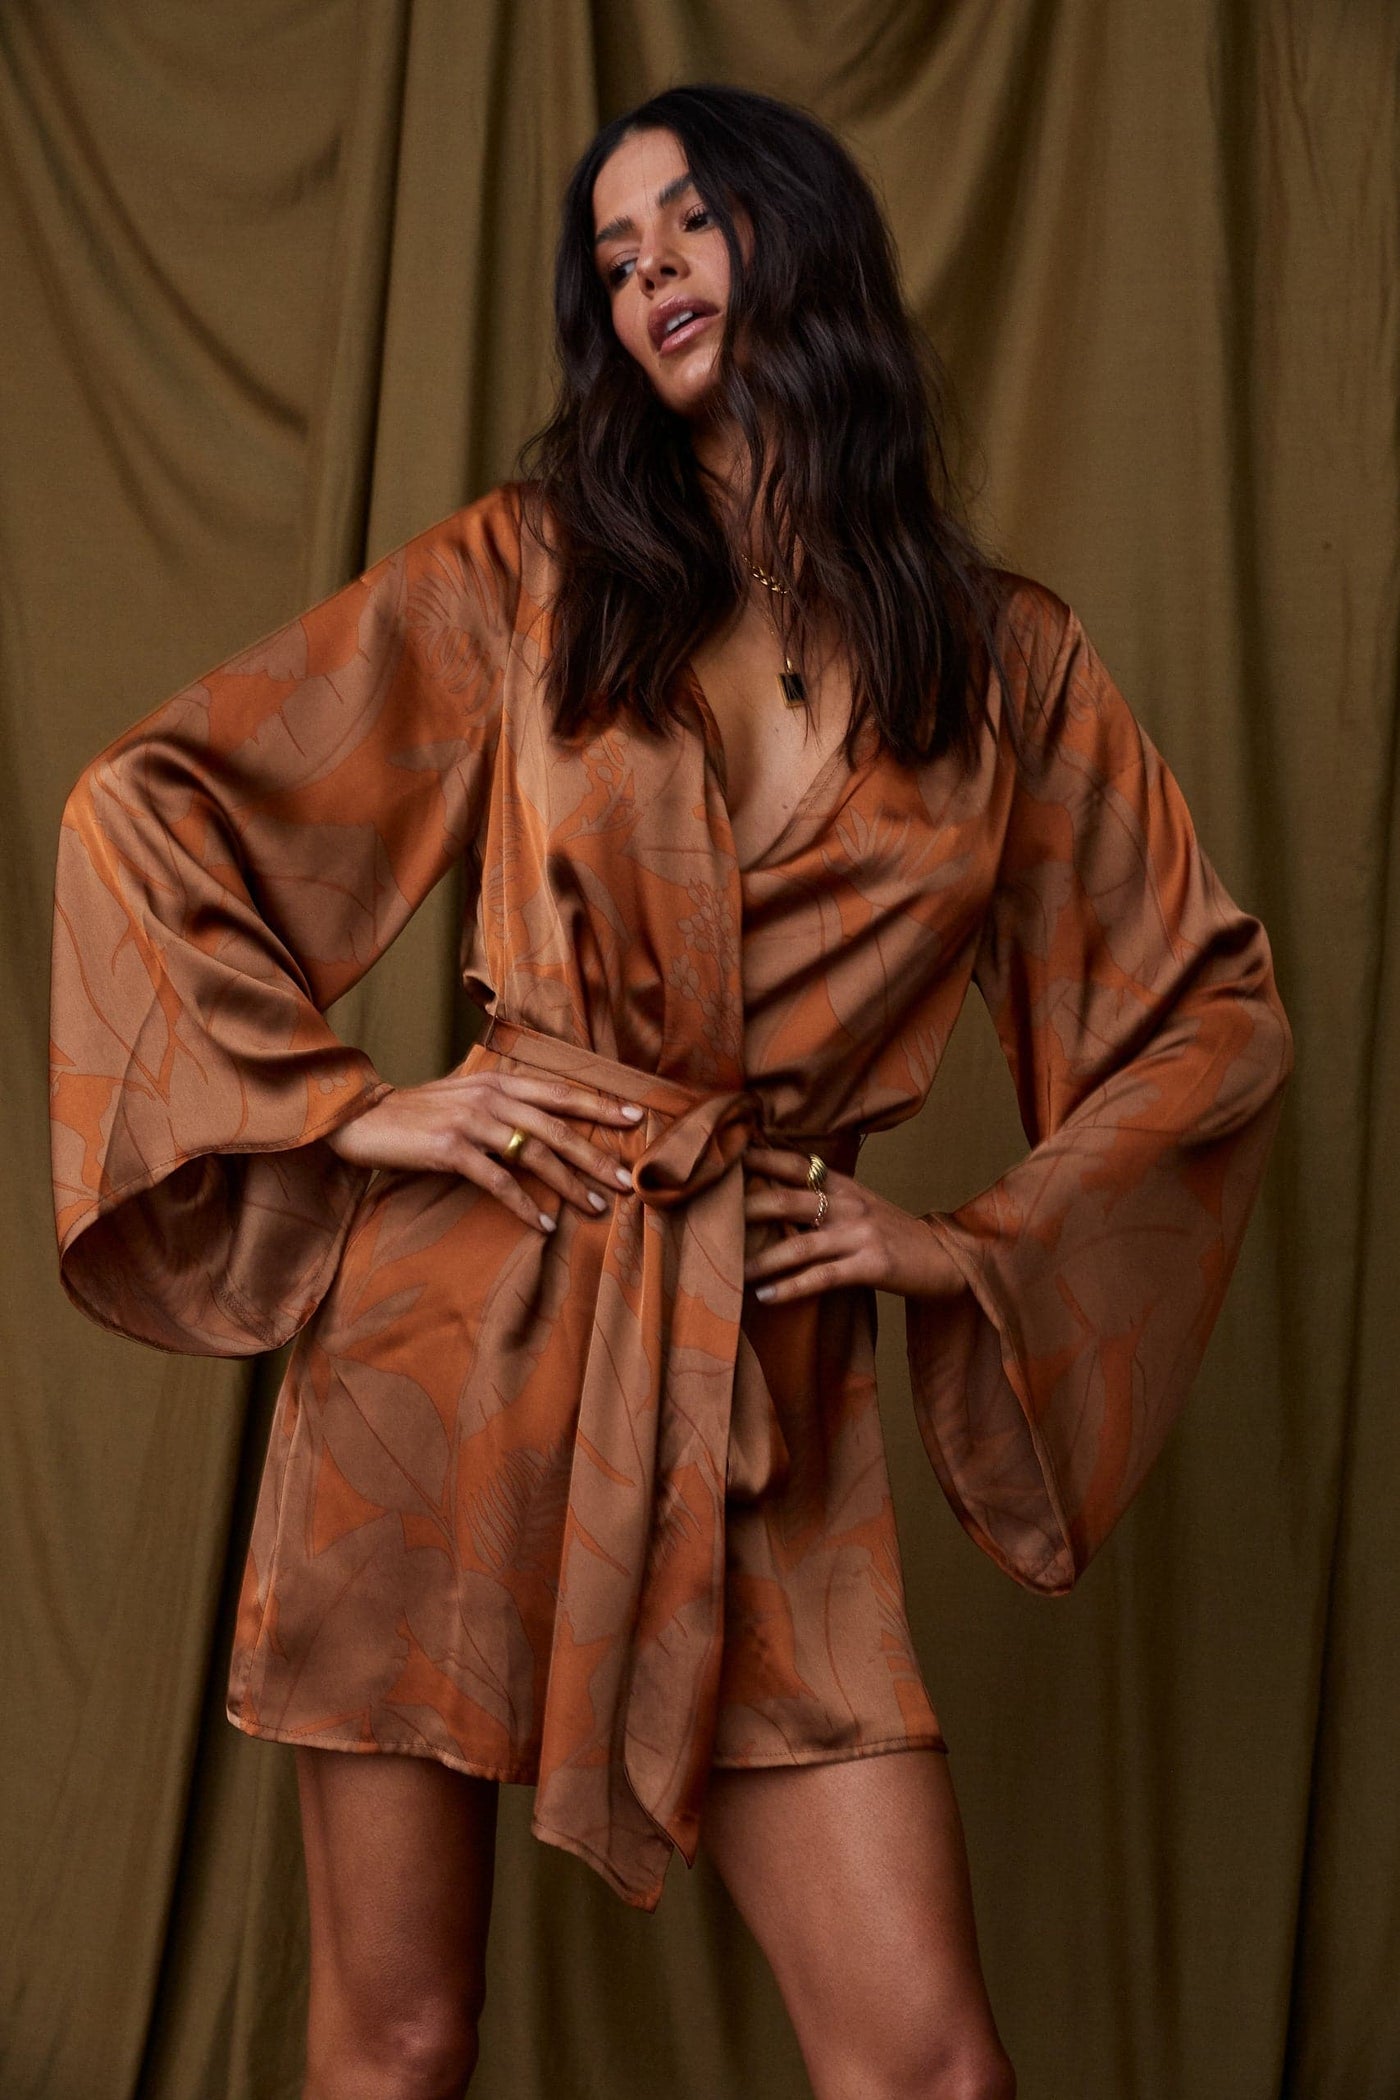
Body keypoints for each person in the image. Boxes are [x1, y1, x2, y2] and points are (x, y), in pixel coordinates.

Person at [48, 80, 1293, 2100]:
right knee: (399, 2040)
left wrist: (963, 1245)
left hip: (758, 1377)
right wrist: (349, 1104)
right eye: (616, 256)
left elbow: (1210, 1018)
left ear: (806, 242)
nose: (650, 274)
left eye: (690, 221)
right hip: (450, 1348)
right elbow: (150, 809)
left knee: (928, 2067)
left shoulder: (1006, 672)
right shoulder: (527, 577)